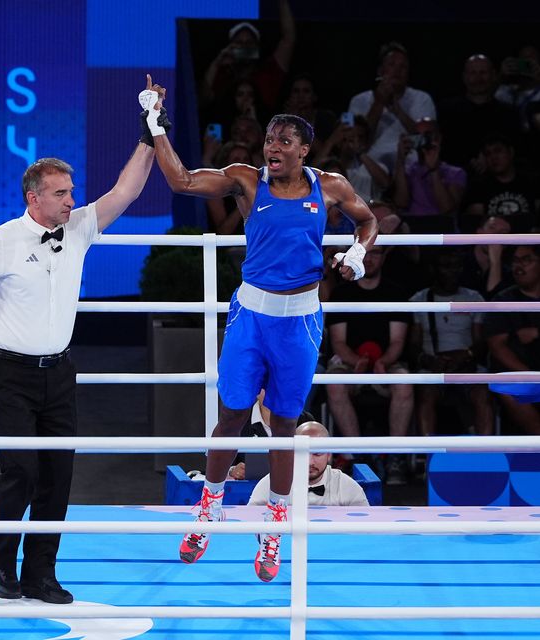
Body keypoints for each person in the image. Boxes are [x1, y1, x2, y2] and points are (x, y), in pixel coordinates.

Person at [0, 77, 158, 605]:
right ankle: (1, 566)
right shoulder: (2, 239)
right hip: (10, 373)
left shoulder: (78, 227)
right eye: (61, 193)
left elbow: (127, 191)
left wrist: (148, 133)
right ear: (34, 197)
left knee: (59, 474)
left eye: (71, 192)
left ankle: (41, 575)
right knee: (21, 471)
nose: (71, 201)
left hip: (61, 372)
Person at [144, 78, 378, 583]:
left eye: (284, 142)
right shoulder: (246, 180)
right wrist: (155, 122)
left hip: (301, 319)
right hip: (251, 314)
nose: (273, 147)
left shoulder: (330, 185)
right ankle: (209, 508)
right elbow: (182, 180)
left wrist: (359, 250)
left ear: (303, 150)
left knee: (285, 427)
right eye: (270, 140)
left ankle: (273, 525)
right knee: (230, 417)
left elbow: (368, 220)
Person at [324, 245, 414, 485]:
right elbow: (338, 343)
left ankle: (395, 457)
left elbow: (397, 341)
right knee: (334, 384)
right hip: (349, 363)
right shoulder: (341, 294)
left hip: (387, 363)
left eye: (376, 253)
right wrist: (358, 362)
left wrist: (382, 362)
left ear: (385, 257)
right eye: (365, 253)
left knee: (404, 384)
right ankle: (356, 456)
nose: (370, 258)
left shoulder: (396, 292)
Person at [408, 250, 494, 436]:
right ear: (433, 269)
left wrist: (466, 356)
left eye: (457, 266)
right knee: (425, 395)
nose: (453, 271)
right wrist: (428, 361)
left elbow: (481, 342)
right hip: (433, 367)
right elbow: (413, 345)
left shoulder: (474, 298)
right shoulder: (419, 300)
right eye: (446, 266)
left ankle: (487, 455)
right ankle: (428, 457)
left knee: (483, 395)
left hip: (467, 366)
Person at [347, 41, 436, 173]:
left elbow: (429, 139)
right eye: (391, 65)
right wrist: (379, 103)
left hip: (410, 163)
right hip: (369, 164)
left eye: (403, 66)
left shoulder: (423, 98)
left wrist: (398, 111)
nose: (397, 70)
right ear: (380, 71)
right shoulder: (357, 100)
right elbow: (350, 139)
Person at [485, 245, 540, 435]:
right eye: (515, 261)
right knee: (508, 389)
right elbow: (497, 346)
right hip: (521, 375)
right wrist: (531, 376)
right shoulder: (502, 301)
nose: (518, 266)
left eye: (526, 260)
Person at [247, 421, 369, 507]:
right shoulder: (271, 483)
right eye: (303, 453)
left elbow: (366, 530)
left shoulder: (347, 486)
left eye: (317, 454)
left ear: (329, 455)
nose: (310, 462)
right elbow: (249, 525)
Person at [393, 118, 467, 233]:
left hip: (442, 228)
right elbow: (401, 203)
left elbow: (446, 209)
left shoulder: (456, 173)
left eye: (427, 135)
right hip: (413, 229)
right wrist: (400, 160)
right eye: (418, 135)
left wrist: (433, 170)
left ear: (438, 137)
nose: (423, 139)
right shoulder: (408, 171)